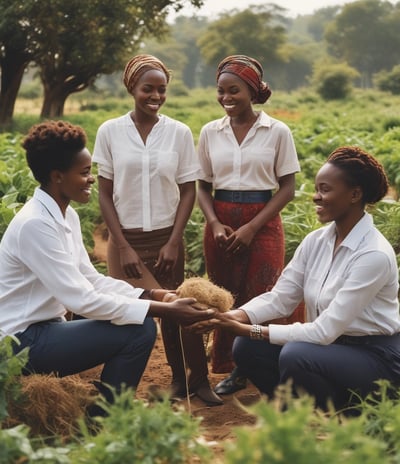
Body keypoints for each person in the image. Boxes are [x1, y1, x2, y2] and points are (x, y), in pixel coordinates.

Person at [0, 120, 215, 414]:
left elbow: (91, 280)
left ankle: (105, 412)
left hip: (43, 331)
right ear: (57, 177)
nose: (92, 179)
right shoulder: (35, 224)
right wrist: (167, 311)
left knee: (137, 322)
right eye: (85, 173)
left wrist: (154, 296)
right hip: (19, 343)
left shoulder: (66, 216)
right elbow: (82, 300)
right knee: (139, 330)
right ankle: (106, 418)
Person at [193, 146, 400, 413]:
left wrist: (250, 328)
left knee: (296, 354)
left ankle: (344, 411)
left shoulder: (373, 254)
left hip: (375, 357)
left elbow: (324, 331)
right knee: (246, 347)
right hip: (330, 351)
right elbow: (281, 298)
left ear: (355, 195)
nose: (316, 197)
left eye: (325, 190)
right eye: (316, 188)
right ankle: (305, 411)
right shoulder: (316, 241)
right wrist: (237, 317)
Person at [92, 54, 222, 406]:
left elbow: (188, 190)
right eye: (147, 88)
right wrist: (123, 247)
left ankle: (197, 381)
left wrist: (174, 241)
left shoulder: (178, 132)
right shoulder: (110, 131)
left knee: (180, 310)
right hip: (125, 240)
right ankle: (125, 389)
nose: (155, 96)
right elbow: (104, 194)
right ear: (132, 88)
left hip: (166, 238)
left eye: (161, 89)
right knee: (127, 311)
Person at [197, 54, 301, 395]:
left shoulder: (277, 131)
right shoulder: (211, 132)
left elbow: (287, 188)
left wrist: (253, 227)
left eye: (234, 90)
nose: (226, 98)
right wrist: (213, 223)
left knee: (263, 292)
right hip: (221, 221)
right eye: (221, 90)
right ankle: (228, 366)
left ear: (252, 91)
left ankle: (249, 367)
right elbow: (202, 185)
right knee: (225, 293)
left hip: (263, 220)